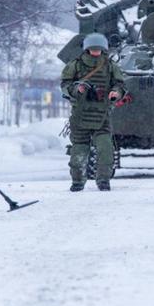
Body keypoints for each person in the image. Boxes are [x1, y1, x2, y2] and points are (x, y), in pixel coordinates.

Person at [60, 33, 125, 192]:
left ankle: (103, 180)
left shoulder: (110, 66)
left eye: (98, 49)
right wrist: (77, 89)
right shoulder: (75, 65)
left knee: (105, 149)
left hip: (102, 114)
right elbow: (65, 85)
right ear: (87, 49)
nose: (96, 51)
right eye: (93, 49)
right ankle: (77, 181)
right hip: (80, 114)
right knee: (79, 150)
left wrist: (116, 93)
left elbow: (120, 84)